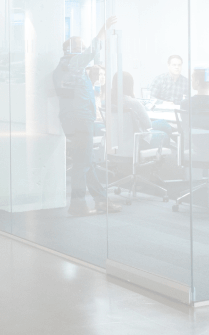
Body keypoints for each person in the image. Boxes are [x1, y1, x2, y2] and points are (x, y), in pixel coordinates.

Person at [53, 16, 120, 216]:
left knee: (86, 161)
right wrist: (103, 29)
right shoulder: (73, 64)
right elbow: (92, 50)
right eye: (79, 47)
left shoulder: (62, 68)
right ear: (72, 50)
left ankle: (101, 200)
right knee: (82, 164)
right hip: (80, 121)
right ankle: (78, 204)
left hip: (72, 120)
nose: (83, 50)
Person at [106, 72, 169, 156]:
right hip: (136, 142)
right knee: (165, 133)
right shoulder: (132, 102)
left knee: (163, 123)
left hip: (115, 141)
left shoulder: (109, 101)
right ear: (130, 85)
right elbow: (148, 124)